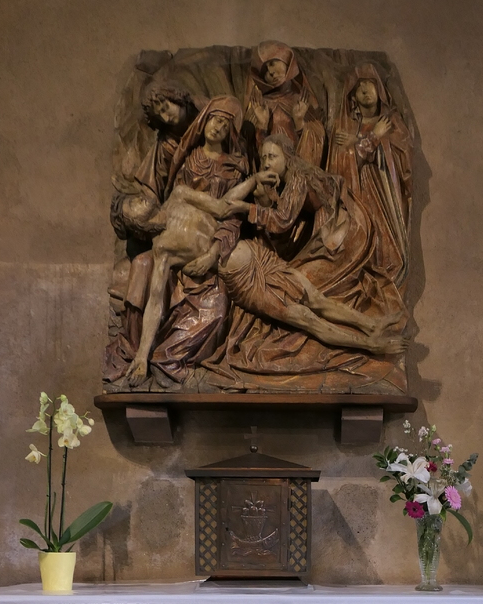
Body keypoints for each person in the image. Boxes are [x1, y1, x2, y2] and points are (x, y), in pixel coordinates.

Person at [204, 134, 407, 391]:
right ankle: (371, 330)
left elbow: (282, 220)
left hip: (339, 235)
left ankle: (371, 333)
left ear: (287, 157)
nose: (266, 163)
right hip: (264, 270)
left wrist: (248, 209)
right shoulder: (291, 180)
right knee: (310, 310)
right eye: (263, 157)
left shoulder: (298, 177)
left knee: (314, 297)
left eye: (272, 156)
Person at [124, 96, 249, 388]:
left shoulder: (235, 168)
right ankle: (143, 356)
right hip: (180, 244)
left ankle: (165, 360)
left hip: (211, 248)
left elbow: (231, 217)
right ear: (204, 121)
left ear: (230, 132)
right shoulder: (189, 160)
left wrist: (212, 254)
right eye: (215, 119)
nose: (218, 127)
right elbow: (175, 203)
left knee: (217, 310)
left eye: (225, 124)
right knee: (149, 272)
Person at [104, 85, 198, 383]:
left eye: (167, 107)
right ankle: (135, 349)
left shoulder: (207, 126)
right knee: (142, 264)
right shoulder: (165, 145)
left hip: (201, 227)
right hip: (174, 227)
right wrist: (141, 215)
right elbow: (153, 193)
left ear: (179, 98)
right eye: (160, 114)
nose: (166, 117)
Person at [327, 63, 412, 288]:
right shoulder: (345, 127)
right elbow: (339, 168)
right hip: (357, 195)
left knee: (386, 247)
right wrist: (370, 139)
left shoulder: (392, 124)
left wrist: (363, 141)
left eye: (369, 84)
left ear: (379, 89)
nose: (365, 89)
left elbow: (402, 162)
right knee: (360, 241)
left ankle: (383, 285)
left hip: (384, 195)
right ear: (352, 96)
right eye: (359, 87)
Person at [244, 41, 325, 167]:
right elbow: (248, 149)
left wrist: (299, 123)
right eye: (265, 71)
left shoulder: (301, 102)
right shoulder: (259, 105)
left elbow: (318, 141)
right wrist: (262, 126)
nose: (271, 72)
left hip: (297, 169)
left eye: (272, 63)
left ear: (287, 61)